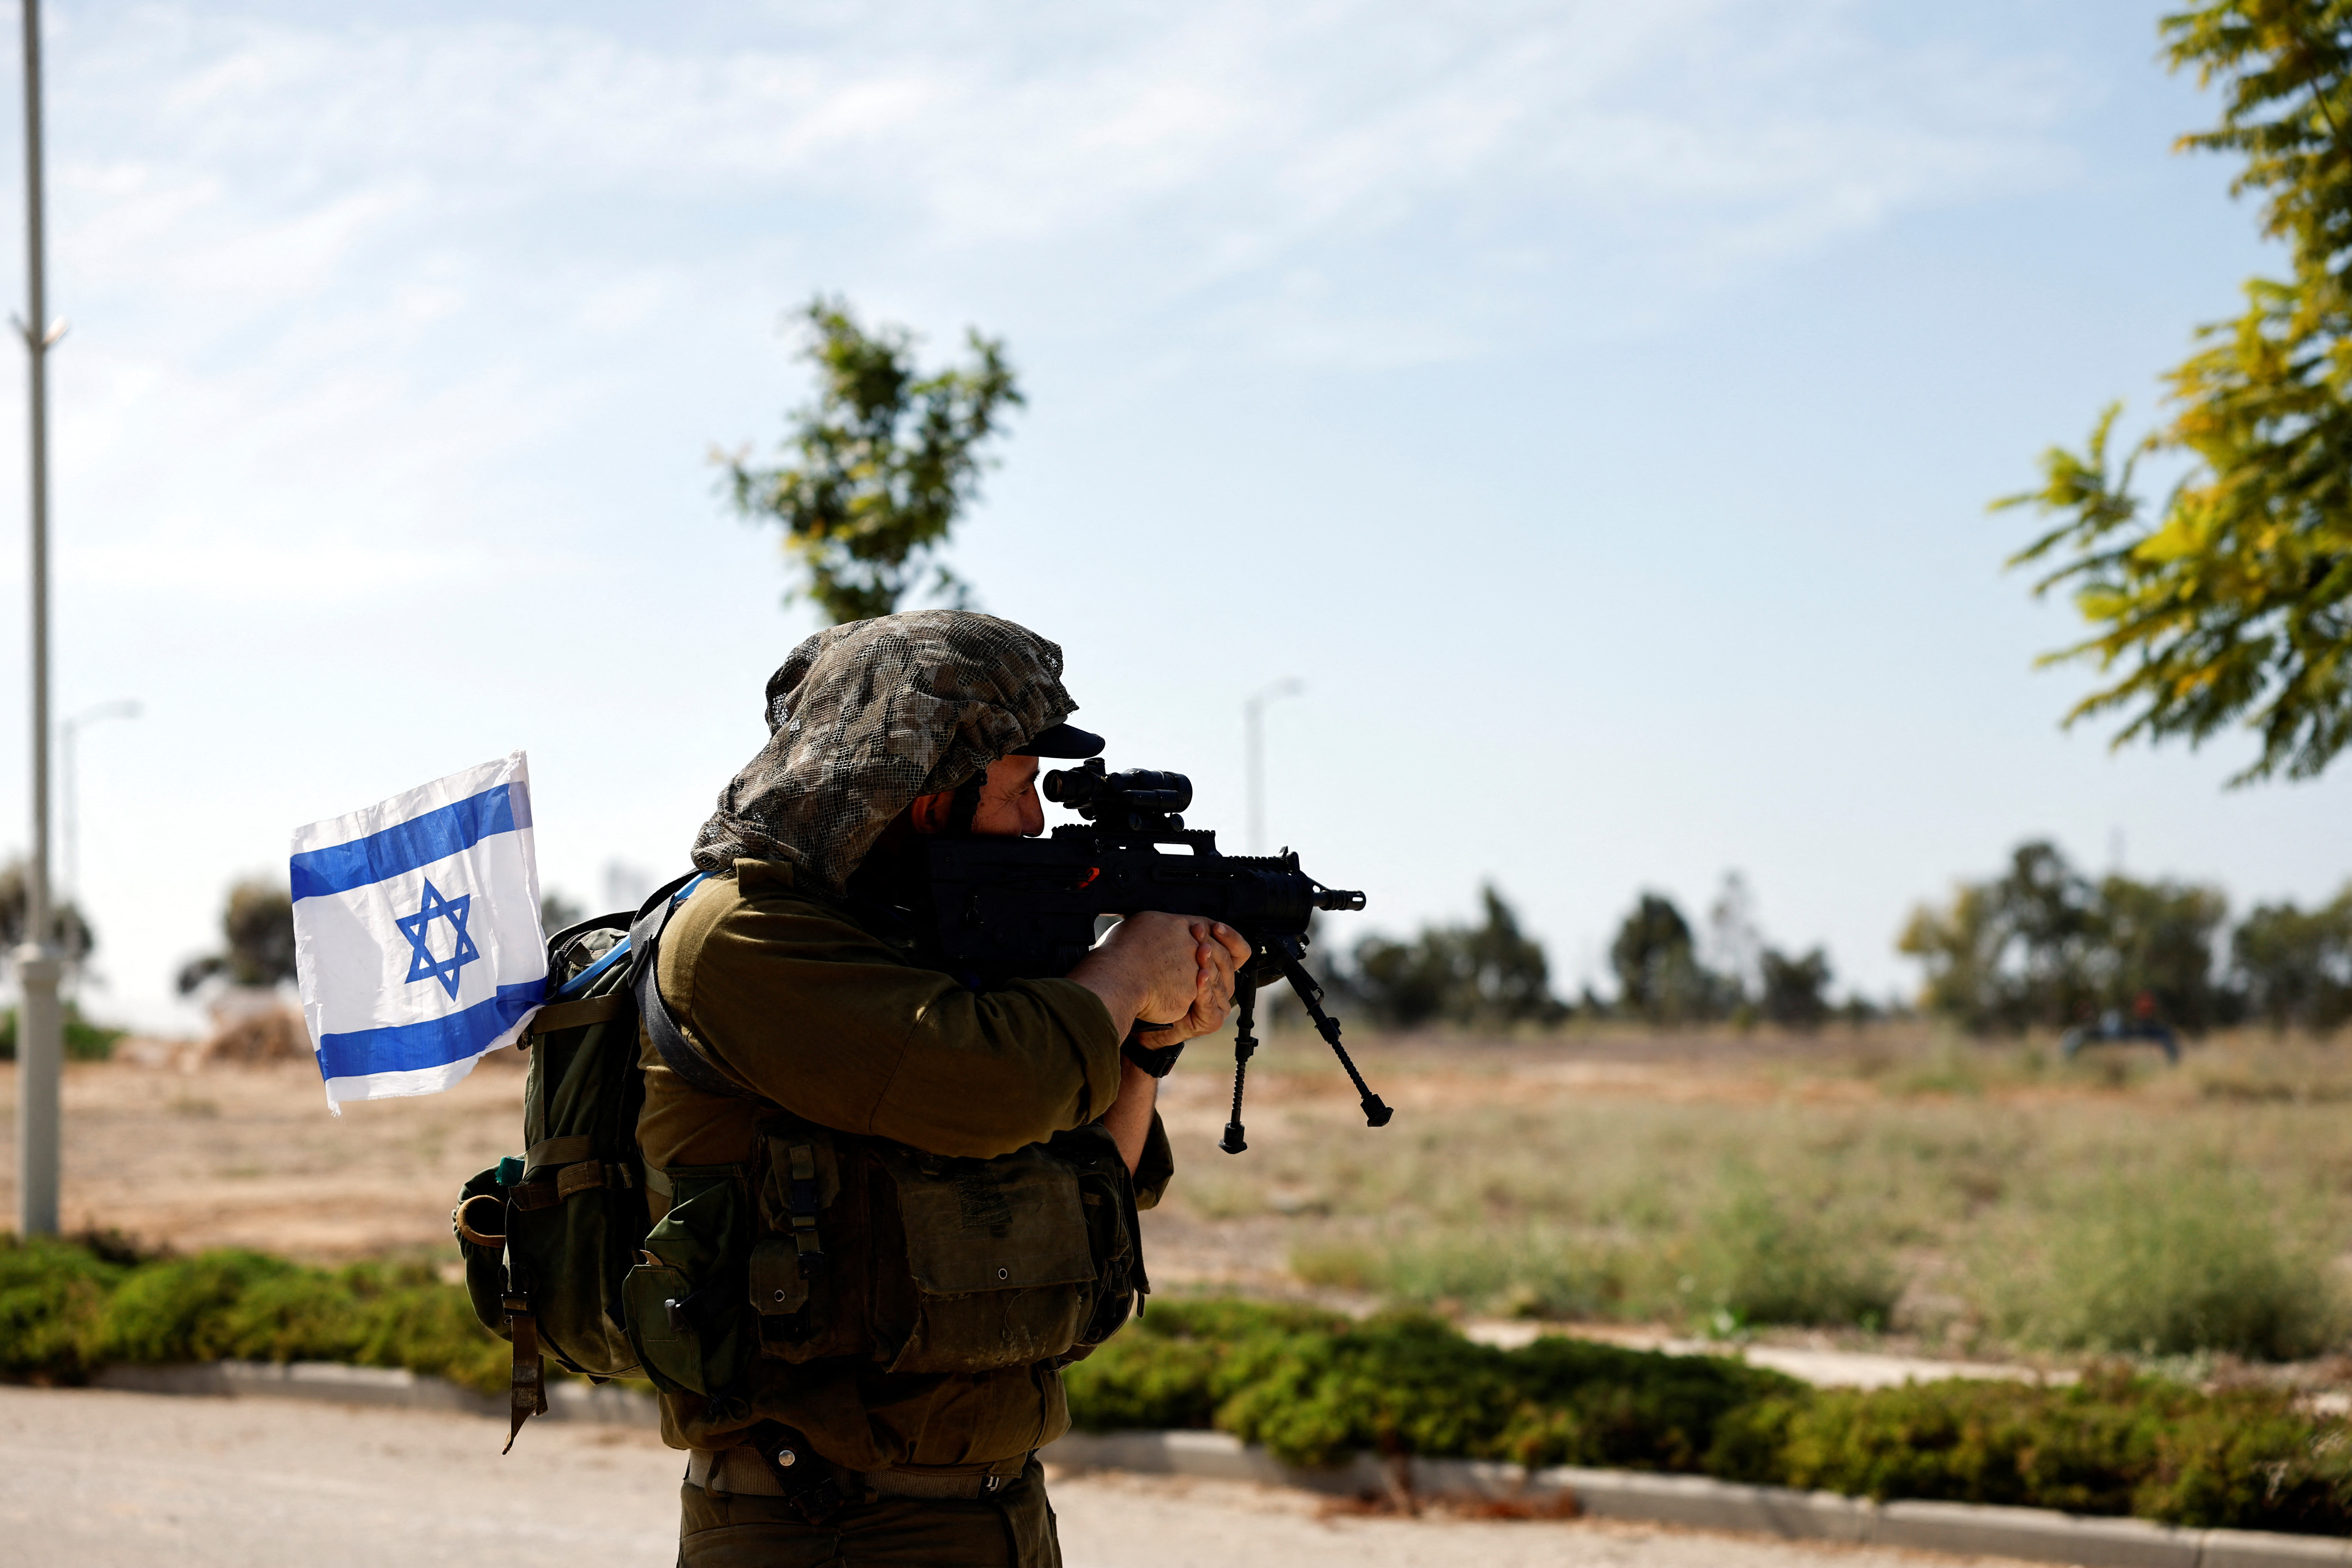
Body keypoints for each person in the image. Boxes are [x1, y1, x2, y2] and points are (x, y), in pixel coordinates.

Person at [637, 609, 1250, 1567]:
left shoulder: (934, 949)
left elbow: (1095, 1188)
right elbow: (993, 1086)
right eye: (1021, 787)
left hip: (998, 1509)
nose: (1039, 822)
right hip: (825, 1527)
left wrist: (1146, 1044)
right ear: (928, 798)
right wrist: (1127, 970)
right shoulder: (745, 936)